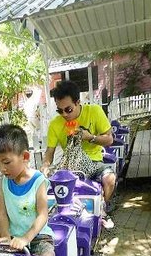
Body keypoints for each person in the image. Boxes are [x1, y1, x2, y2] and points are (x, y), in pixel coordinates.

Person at [41, 80, 115, 229]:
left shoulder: (94, 112)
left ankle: (102, 210)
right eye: (59, 111)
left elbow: (109, 139)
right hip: (69, 164)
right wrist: (45, 166)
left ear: (78, 102)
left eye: (68, 109)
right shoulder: (56, 124)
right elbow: (50, 151)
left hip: (94, 162)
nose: (64, 114)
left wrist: (90, 137)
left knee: (110, 179)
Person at [0, 124, 56, 256]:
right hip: (14, 238)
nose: (2, 169)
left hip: (38, 236)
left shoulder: (38, 181)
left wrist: (26, 238)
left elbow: (43, 215)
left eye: (6, 162)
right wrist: (6, 237)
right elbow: (2, 214)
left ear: (25, 156)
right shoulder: (3, 183)